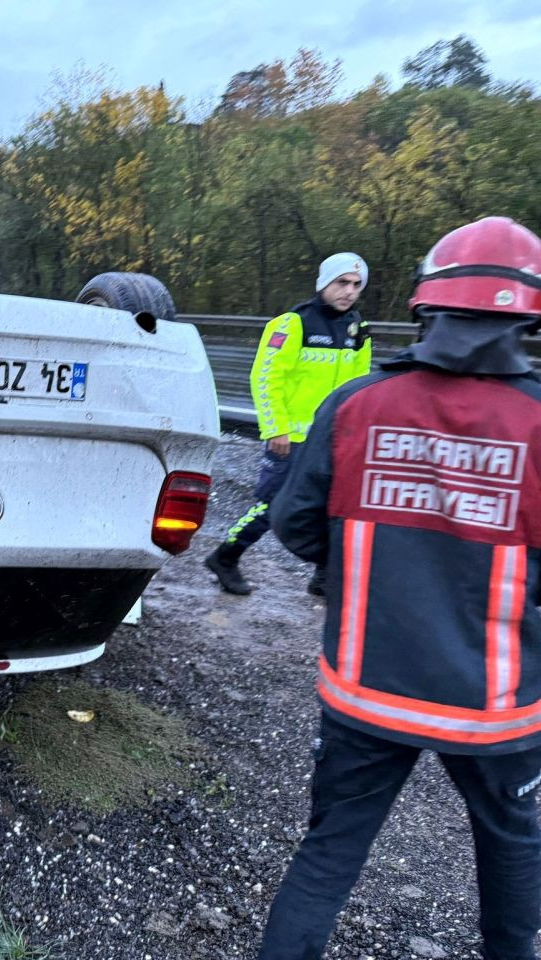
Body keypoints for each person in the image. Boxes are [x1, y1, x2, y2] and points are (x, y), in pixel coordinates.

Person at [258, 216, 541, 959]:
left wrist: (350, 577)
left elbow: (294, 522)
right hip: (495, 706)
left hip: (364, 687)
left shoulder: (359, 404)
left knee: (327, 858)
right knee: (511, 854)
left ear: (425, 303)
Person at [205, 253, 372, 596]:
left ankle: (324, 576)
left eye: (356, 285)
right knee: (272, 505)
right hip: (290, 438)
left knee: (336, 503)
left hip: (332, 439)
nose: (349, 291)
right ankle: (226, 557)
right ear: (324, 283)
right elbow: (265, 378)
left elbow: (361, 387)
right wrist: (275, 427)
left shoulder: (359, 329)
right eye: (342, 282)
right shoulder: (293, 324)